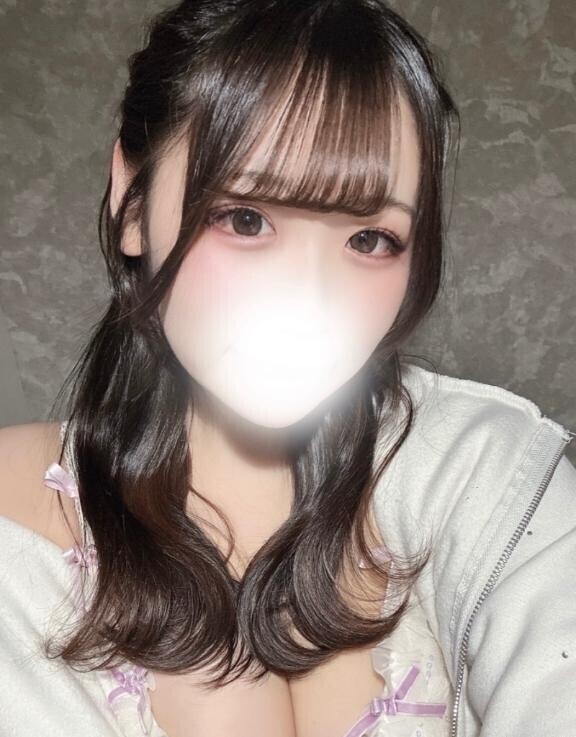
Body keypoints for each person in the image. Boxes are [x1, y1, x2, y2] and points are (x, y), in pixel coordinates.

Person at [0, 1, 574, 736]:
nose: (311, 296)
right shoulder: (16, 531)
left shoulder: (487, 472)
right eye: (246, 219)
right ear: (132, 201)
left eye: (371, 239)